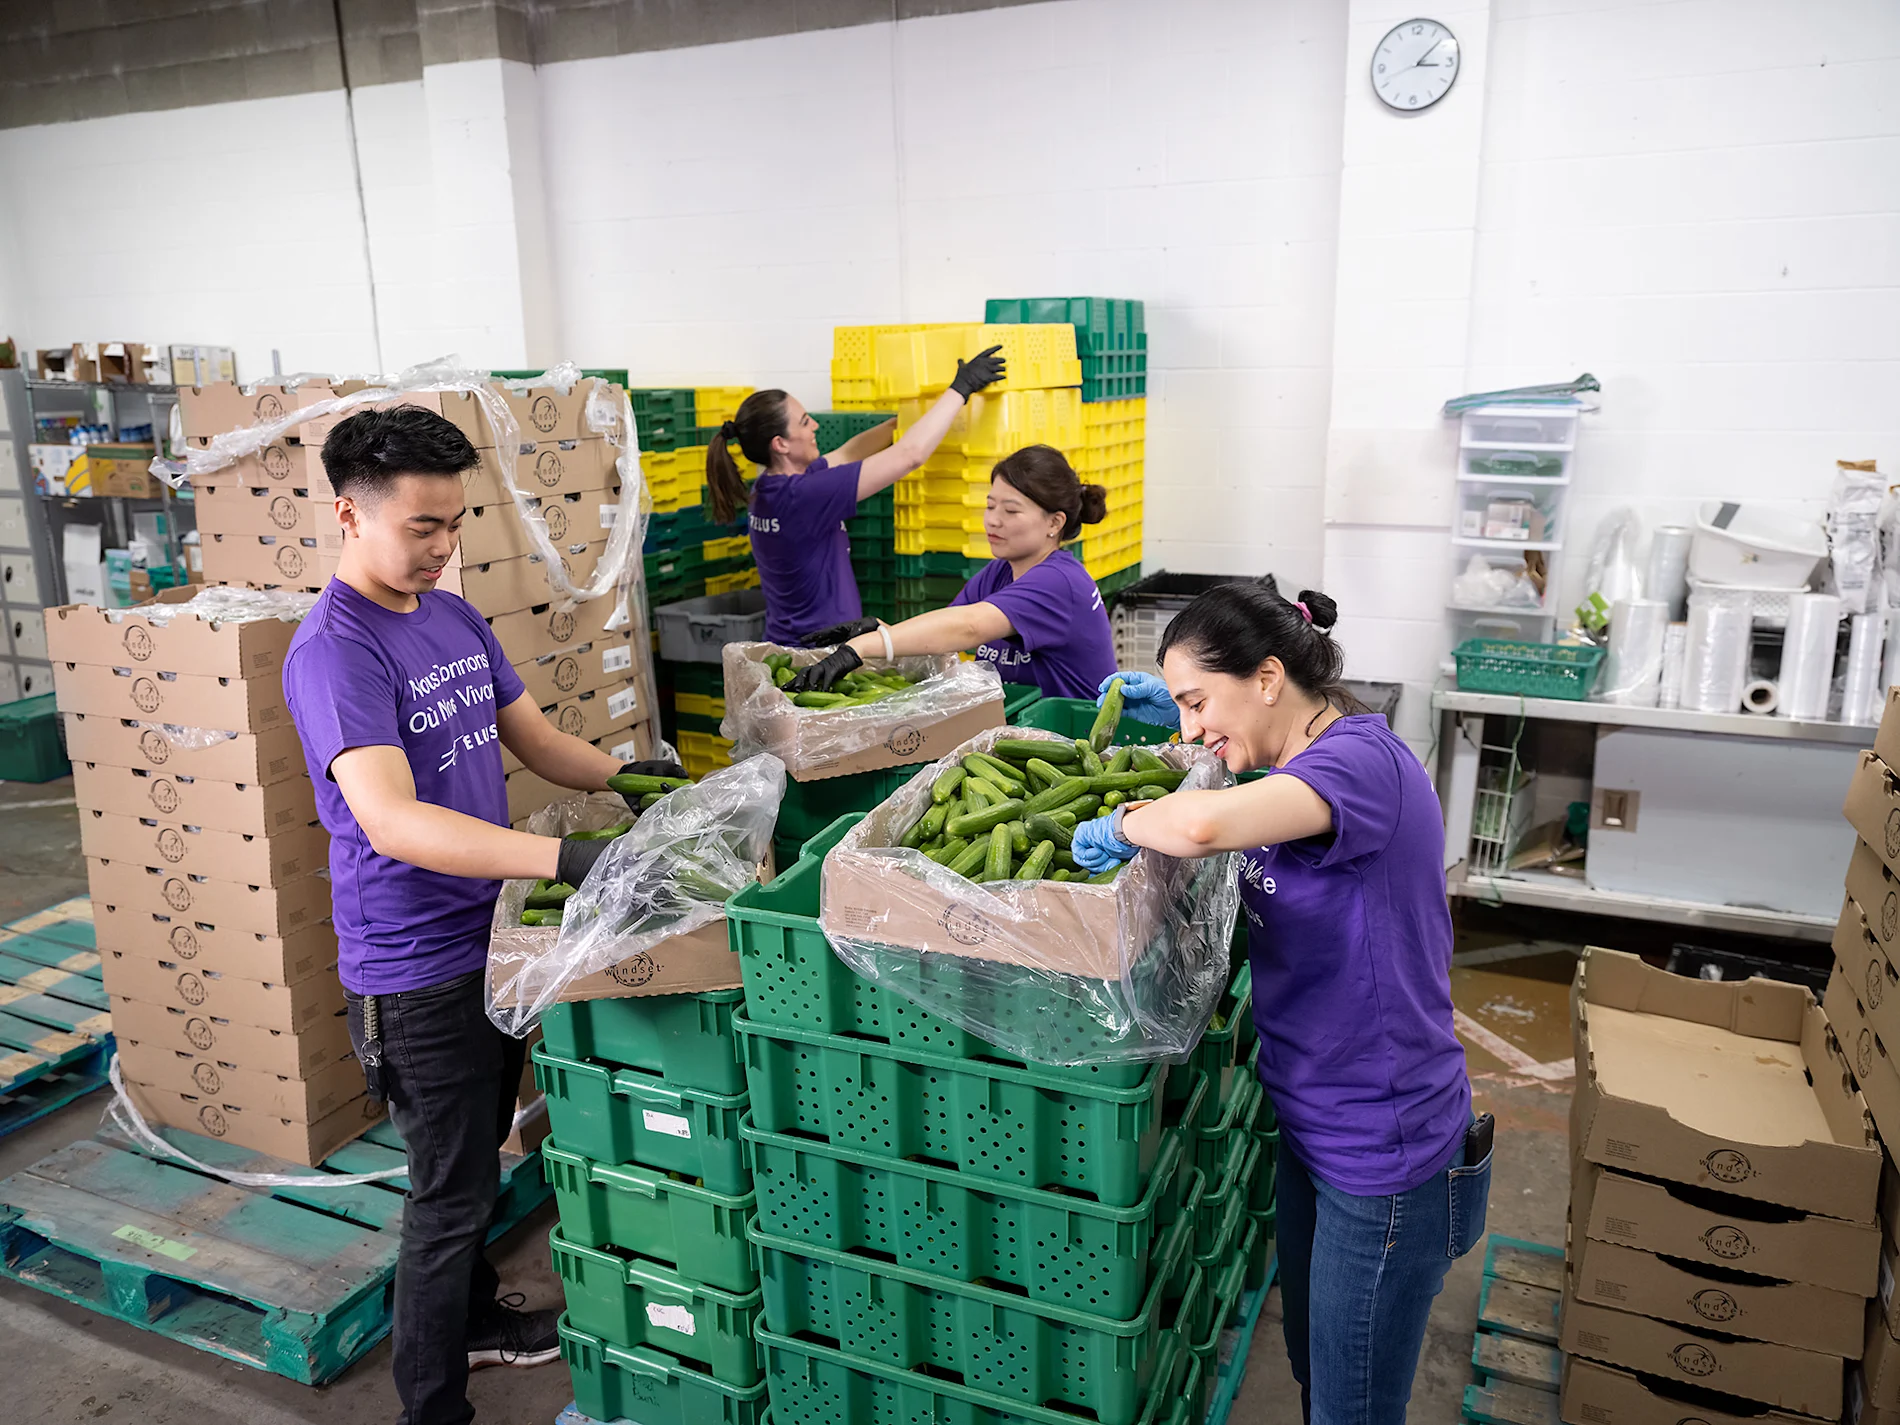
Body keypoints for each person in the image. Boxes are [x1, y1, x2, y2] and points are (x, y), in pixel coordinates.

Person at [281, 405, 683, 1425]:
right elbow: (393, 820)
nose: (442, 546)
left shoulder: (452, 618)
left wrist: (635, 782)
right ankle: (432, 1408)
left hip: (490, 941)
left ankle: (471, 1323)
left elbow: (537, 741)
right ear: (350, 514)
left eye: (453, 524)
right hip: (415, 966)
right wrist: (568, 859)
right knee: (449, 1197)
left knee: (468, 1164)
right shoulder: (335, 653)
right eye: (421, 526)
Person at [1071, 581, 1490, 1425]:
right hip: (1313, 1127)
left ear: (1268, 678)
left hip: (1385, 1148)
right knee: (1315, 1366)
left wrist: (1122, 824)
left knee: (1351, 1407)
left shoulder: (1363, 765)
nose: (1190, 728)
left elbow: (1198, 827)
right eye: (1179, 705)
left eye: (1196, 701)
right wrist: (1189, 721)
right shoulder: (1292, 759)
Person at [702, 345, 1006, 645]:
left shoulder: (770, 488)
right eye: (805, 422)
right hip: (817, 652)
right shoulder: (804, 496)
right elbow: (909, 455)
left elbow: (849, 453)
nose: (815, 426)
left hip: (790, 643)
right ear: (780, 444)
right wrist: (960, 389)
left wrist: (900, 422)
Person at [783, 445, 1117, 700]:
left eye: (1011, 511)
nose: (993, 520)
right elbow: (943, 640)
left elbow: (969, 627)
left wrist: (863, 648)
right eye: (990, 506)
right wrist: (879, 630)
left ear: (1054, 523)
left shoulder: (1059, 581)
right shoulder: (1000, 572)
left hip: (1077, 744)